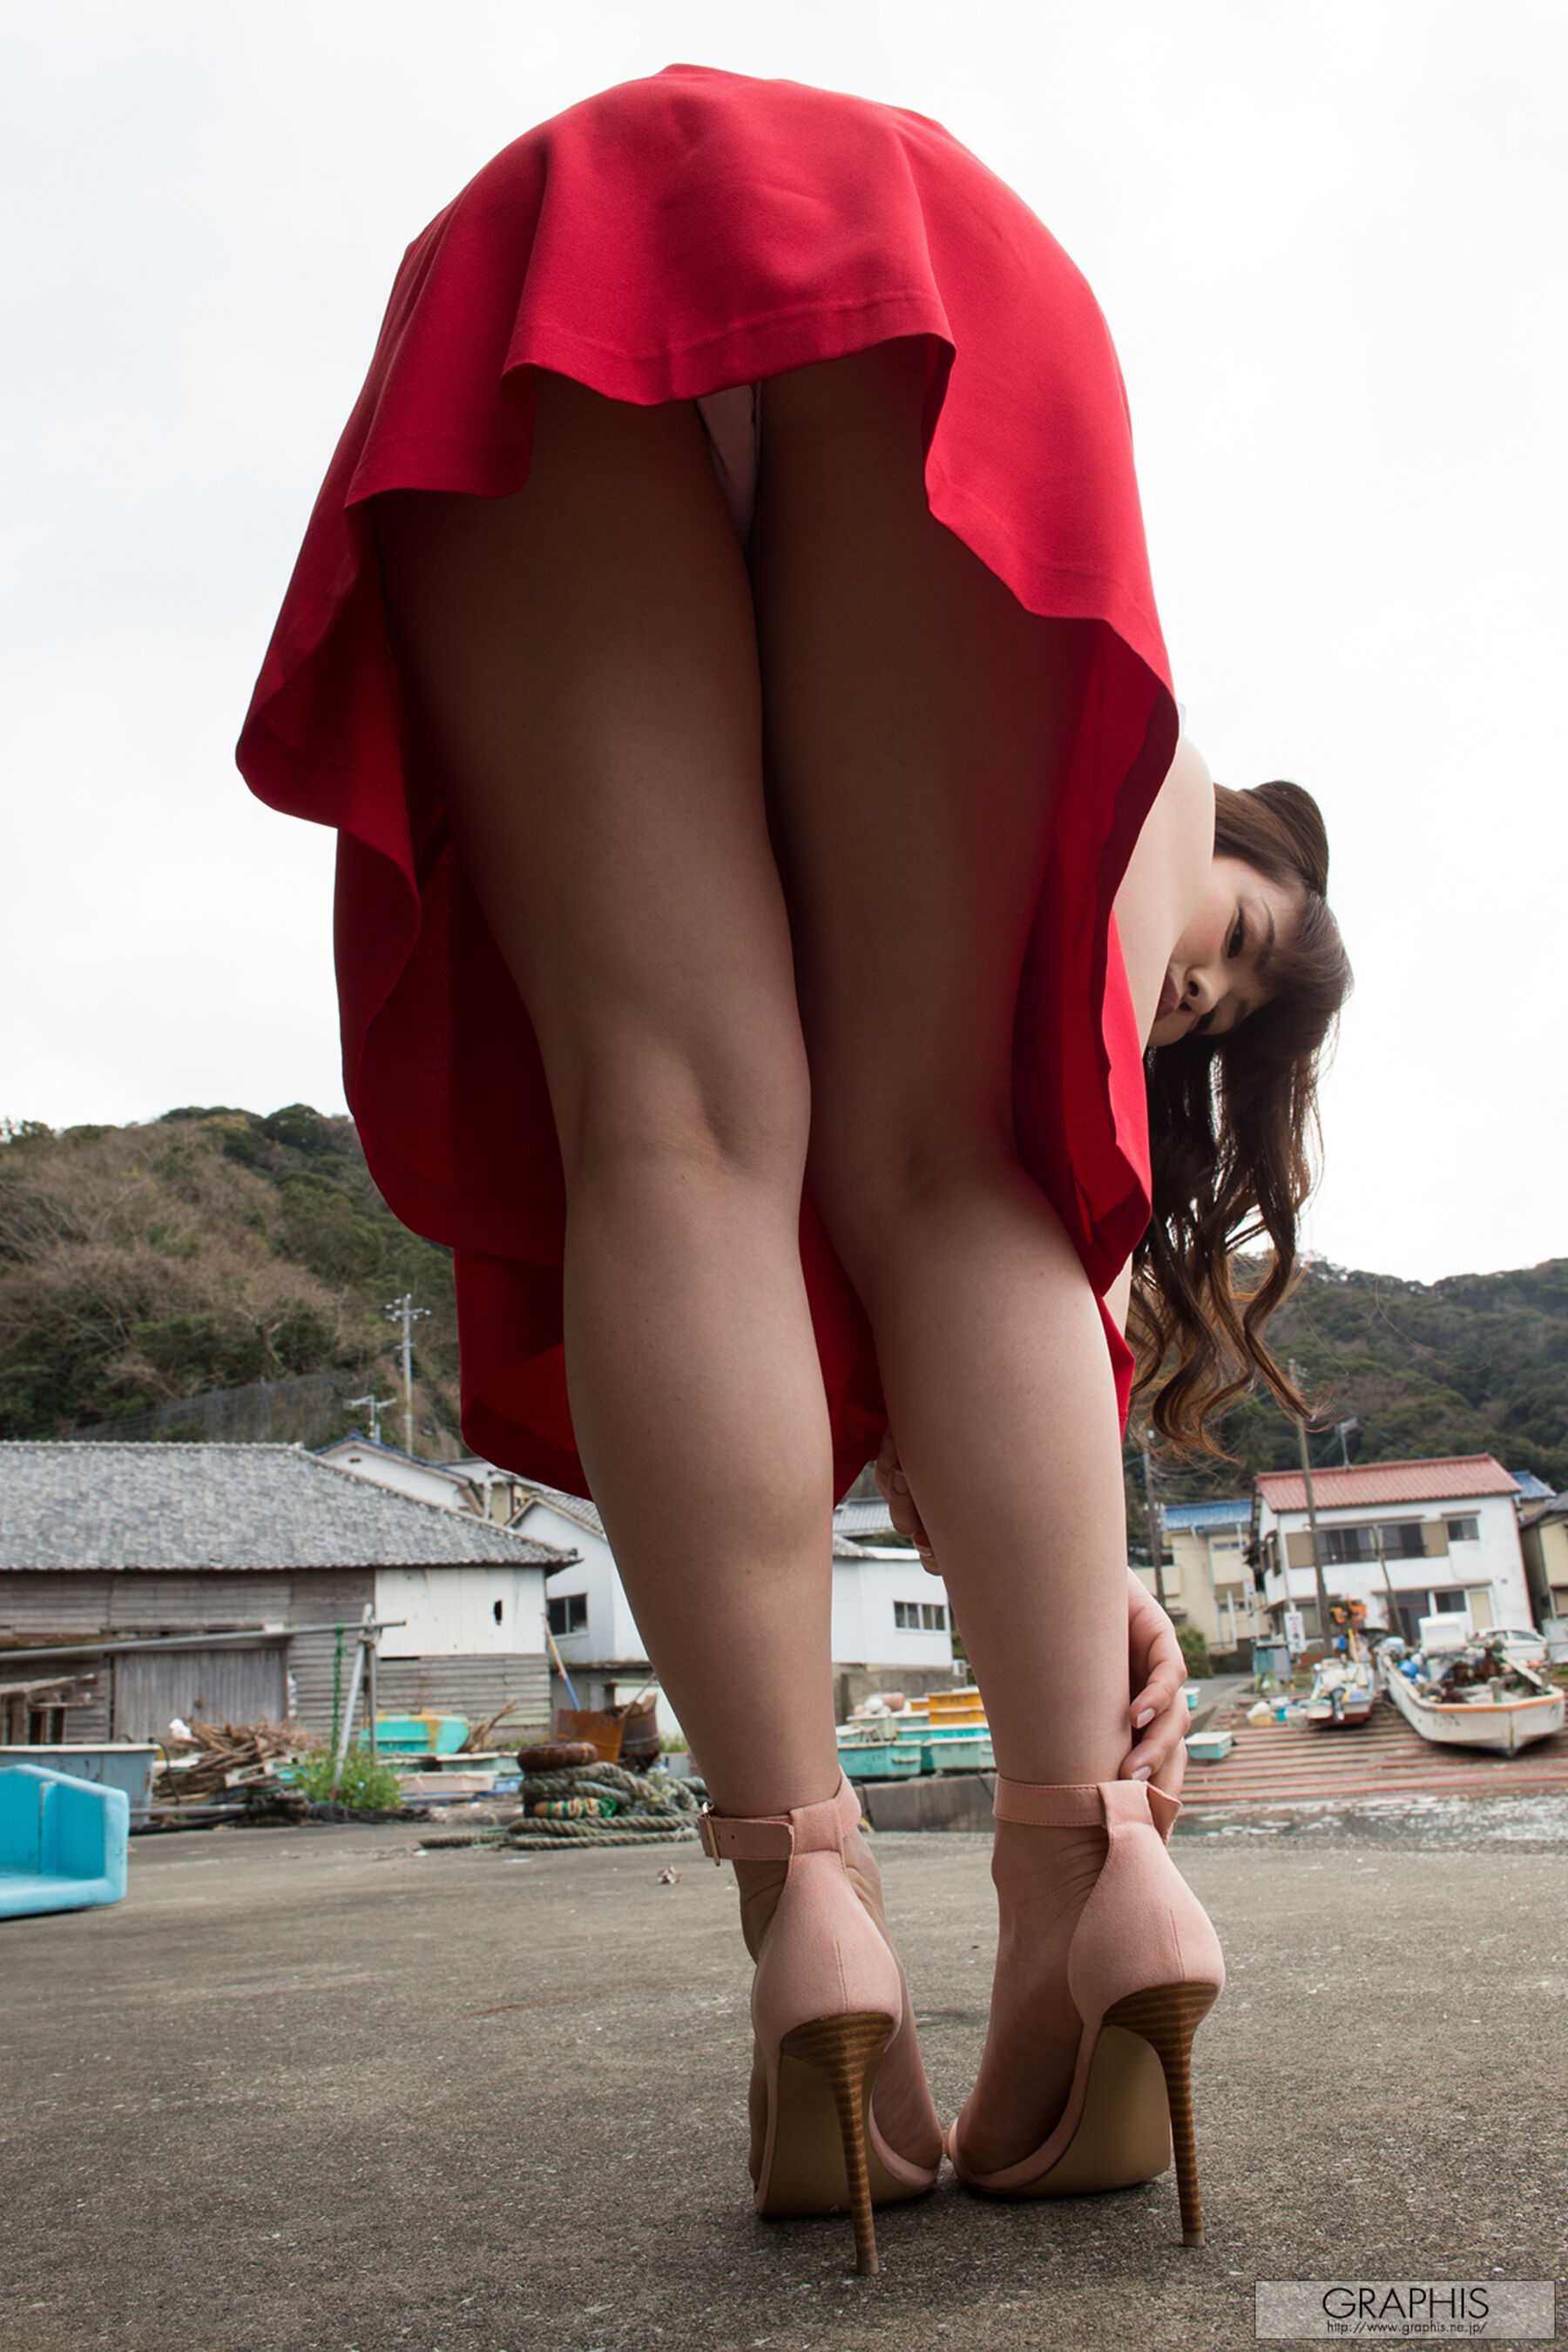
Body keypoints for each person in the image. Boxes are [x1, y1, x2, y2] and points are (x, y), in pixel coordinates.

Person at [236, 63, 1351, 2274]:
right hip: (929, 273)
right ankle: (1092, 1878)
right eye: (1226, 948)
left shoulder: (1158, 816)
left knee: (670, 1118)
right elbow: (977, 1231)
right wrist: (1072, 1601)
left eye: (1214, 1016)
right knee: (962, 1160)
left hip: (583, 237)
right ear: (1235, 841)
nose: (1183, 991)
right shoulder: (1165, 783)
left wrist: (1053, 1566)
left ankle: (806, 1916)